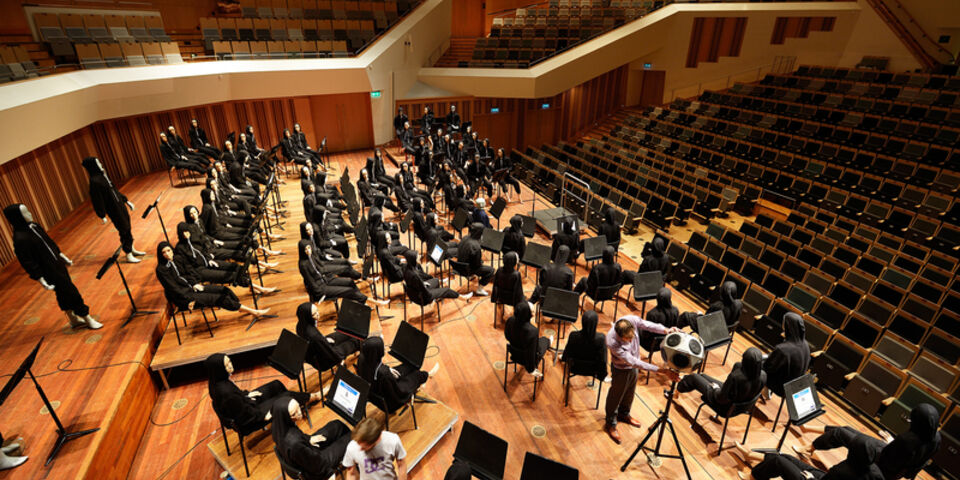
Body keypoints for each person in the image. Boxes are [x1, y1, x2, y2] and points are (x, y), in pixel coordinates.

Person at [3, 204, 101, 329]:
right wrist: (41, 280)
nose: (30, 214)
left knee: (62, 293)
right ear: (17, 218)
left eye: (27, 211)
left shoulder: (35, 226)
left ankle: (72, 319)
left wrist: (62, 256)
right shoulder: (20, 239)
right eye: (25, 213)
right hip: (48, 270)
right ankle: (87, 317)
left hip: (57, 264)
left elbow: (50, 243)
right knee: (71, 291)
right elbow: (27, 262)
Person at [796, 404, 941, 480]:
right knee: (846, 430)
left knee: (841, 433)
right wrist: (892, 444)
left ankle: (809, 448)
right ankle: (808, 431)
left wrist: (892, 443)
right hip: (895, 466)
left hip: (882, 466)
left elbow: (885, 459)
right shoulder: (936, 438)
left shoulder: (906, 440)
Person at [604, 315, 679, 444]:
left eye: (632, 335)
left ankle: (624, 414)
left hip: (633, 366)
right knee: (615, 395)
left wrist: (666, 330)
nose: (631, 339)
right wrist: (662, 371)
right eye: (627, 338)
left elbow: (647, 324)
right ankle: (611, 422)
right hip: (621, 369)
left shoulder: (630, 320)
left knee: (630, 393)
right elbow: (634, 362)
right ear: (619, 336)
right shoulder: (612, 342)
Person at [205, 353, 318, 434]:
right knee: (287, 397)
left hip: (245, 405)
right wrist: (263, 417)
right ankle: (313, 397)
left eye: (229, 361)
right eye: (226, 365)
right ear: (219, 369)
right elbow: (244, 416)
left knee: (276, 385)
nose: (230, 365)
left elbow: (236, 402)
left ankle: (287, 411)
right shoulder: (227, 393)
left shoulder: (216, 381)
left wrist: (245, 395)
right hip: (251, 419)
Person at [156, 242, 270, 316]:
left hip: (192, 288)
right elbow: (172, 288)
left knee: (224, 290)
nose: (167, 254)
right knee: (219, 298)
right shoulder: (161, 270)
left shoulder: (176, 260)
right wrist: (188, 300)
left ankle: (239, 307)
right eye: (164, 252)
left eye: (168, 250)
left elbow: (187, 274)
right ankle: (254, 312)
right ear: (160, 255)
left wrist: (194, 284)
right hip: (184, 297)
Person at [82, 157, 145, 263]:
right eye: (98, 163)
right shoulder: (94, 181)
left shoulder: (103, 176)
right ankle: (128, 254)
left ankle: (131, 248)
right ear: (93, 166)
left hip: (119, 205)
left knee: (128, 226)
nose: (100, 164)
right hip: (113, 209)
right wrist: (102, 215)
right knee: (123, 229)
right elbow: (97, 199)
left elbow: (114, 190)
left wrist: (126, 201)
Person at [272, 396, 352, 480]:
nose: (299, 413)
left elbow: (298, 442)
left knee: (337, 425)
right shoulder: (295, 443)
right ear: (285, 416)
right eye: (293, 414)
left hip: (304, 454)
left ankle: (348, 453)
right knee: (352, 436)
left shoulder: (277, 426)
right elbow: (316, 465)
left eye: (298, 407)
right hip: (316, 465)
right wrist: (329, 473)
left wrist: (308, 439)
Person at [355, 337, 438, 415]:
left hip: (374, 393)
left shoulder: (362, 358)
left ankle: (418, 377)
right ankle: (428, 375)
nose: (384, 349)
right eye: (382, 347)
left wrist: (388, 369)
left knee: (407, 366)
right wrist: (412, 381)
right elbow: (399, 392)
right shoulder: (384, 374)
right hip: (389, 403)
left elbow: (374, 368)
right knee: (417, 375)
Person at [733, 439, 884, 480]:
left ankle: (754, 477)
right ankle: (750, 455)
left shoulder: (843, 471)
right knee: (786, 458)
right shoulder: (875, 472)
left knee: (778, 462)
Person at [676, 347, 765, 413]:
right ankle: (684, 383)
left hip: (724, 406)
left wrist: (715, 388)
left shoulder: (736, 377)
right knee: (702, 375)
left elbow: (720, 398)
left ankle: (675, 391)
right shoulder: (763, 375)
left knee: (694, 377)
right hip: (740, 404)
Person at [296, 302, 361, 375]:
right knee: (355, 341)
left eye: (317, 311)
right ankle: (358, 347)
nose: (318, 314)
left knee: (346, 333)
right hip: (323, 361)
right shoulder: (314, 335)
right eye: (314, 314)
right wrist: (340, 360)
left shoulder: (300, 326)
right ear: (308, 316)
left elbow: (318, 343)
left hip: (315, 352)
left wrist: (324, 341)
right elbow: (331, 353)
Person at [762, 312, 810, 400]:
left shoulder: (783, 349)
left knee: (755, 362)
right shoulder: (806, 344)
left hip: (782, 388)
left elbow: (768, 367)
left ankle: (761, 389)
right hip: (796, 386)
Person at [342, 416, 408, 480]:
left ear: (377, 439)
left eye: (364, 447)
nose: (360, 449)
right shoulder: (352, 447)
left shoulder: (392, 440)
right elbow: (351, 473)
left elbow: (401, 465)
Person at [401, 250, 471, 306]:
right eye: (417, 256)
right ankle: (463, 298)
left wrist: (422, 283)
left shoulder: (405, 267)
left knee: (436, 280)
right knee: (446, 290)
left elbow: (415, 284)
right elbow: (425, 292)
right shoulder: (415, 275)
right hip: (423, 298)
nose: (420, 256)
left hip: (414, 294)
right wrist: (432, 296)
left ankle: (436, 298)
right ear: (413, 260)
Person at [505, 300, 551, 378]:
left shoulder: (510, 320)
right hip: (526, 359)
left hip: (514, 353)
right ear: (528, 314)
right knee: (545, 340)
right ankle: (549, 342)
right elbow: (533, 353)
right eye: (532, 312)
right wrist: (531, 369)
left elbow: (507, 336)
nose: (533, 313)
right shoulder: (533, 331)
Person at [561, 310, 607, 380]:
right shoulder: (601, 339)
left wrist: (563, 359)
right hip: (593, 370)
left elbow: (567, 353)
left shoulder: (573, 335)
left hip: (574, 368)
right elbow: (603, 360)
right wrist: (602, 375)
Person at [457, 223, 495, 296]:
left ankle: (470, 276)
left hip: (458, 266)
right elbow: (477, 265)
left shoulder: (465, 237)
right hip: (466, 270)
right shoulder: (476, 246)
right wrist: (480, 262)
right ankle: (480, 289)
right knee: (491, 270)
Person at [640, 287, 680, 352]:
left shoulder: (652, 314)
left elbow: (646, 335)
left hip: (651, 345)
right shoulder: (676, 310)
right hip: (667, 343)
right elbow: (675, 327)